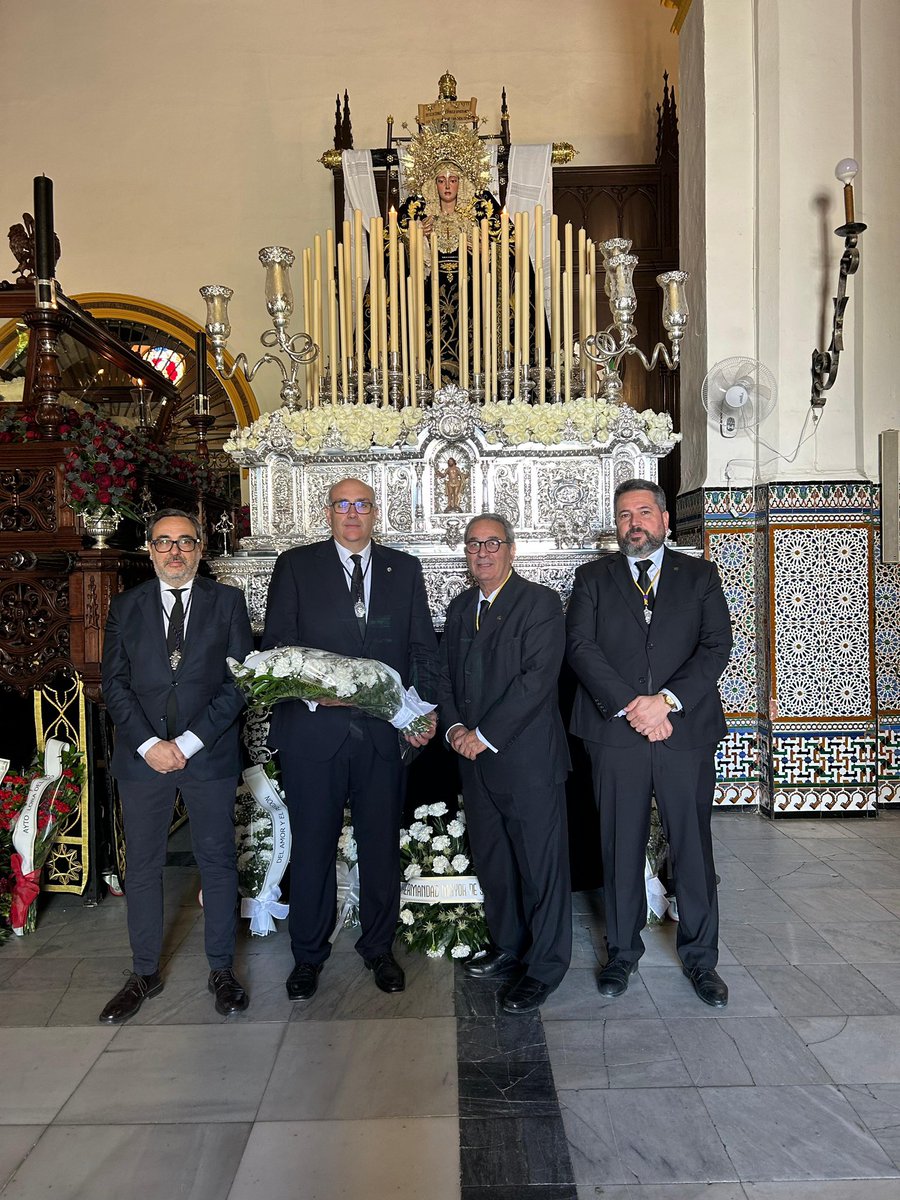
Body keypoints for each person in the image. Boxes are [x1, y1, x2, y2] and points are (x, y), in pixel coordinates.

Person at [261, 477, 439, 1001]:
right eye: (343, 505)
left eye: (362, 504)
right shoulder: (296, 566)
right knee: (312, 848)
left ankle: (379, 949)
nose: (353, 513)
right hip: (314, 734)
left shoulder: (403, 569)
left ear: (375, 511)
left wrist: (419, 713)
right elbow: (276, 648)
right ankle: (308, 957)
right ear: (328, 512)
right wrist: (320, 694)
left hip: (382, 739)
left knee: (381, 847)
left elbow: (422, 649)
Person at [566, 479, 733, 1007]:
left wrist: (666, 701)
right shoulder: (592, 578)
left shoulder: (701, 576)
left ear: (664, 520)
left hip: (684, 731)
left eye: (642, 512)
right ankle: (621, 952)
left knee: (692, 846)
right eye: (623, 515)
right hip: (616, 733)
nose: (632, 523)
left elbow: (715, 646)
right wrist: (634, 706)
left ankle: (702, 959)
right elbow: (581, 647)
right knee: (619, 845)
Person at [99, 508, 253, 1023]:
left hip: (206, 755)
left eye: (185, 542)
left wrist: (186, 742)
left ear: (200, 549)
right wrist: (149, 744)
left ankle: (221, 970)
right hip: (143, 760)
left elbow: (238, 684)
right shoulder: (125, 607)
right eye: (163, 542)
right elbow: (114, 685)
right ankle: (144, 972)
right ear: (149, 549)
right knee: (141, 866)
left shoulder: (228, 602)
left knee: (216, 859)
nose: (174, 551)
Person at [439, 513, 571, 1013]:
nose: (483, 552)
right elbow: (444, 678)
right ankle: (508, 945)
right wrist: (454, 729)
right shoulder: (458, 608)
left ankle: (546, 965)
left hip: (526, 761)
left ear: (511, 550)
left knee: (541, 867)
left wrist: (483, 735)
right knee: (495, 863)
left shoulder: (538, 603)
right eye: (473, 545)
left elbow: (536, 682)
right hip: (474, 761)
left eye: (492, 543)